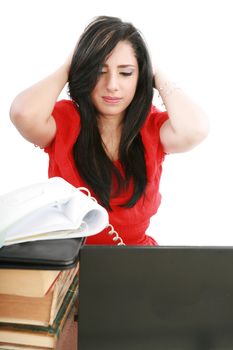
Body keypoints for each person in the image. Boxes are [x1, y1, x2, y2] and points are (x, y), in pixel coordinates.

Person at [9, 16, 209, 246]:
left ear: (140, 76)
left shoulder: (152, 126)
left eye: (126, 73)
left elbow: (196, 128)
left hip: (136, 264)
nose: (112, 85)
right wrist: (68, 67)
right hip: (70, 265)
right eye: (99, 71)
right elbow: (23, 113)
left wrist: (157, 75)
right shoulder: (64, 121)